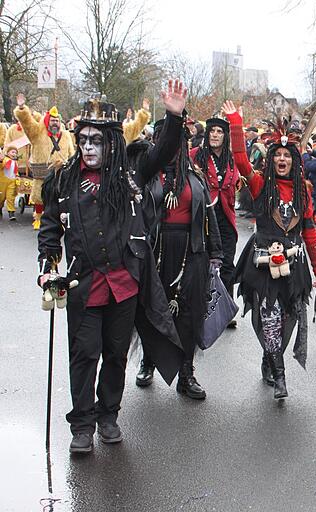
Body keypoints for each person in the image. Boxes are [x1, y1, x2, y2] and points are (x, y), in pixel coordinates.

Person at [36, 80, 189, 454]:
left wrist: (173, 116)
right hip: (82, 285)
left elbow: (165, 150)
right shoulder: (62, 179)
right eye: (84, 139)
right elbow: (51, 230)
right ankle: (83, 425)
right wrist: (47, 266)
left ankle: (108, 417)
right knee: (84, 354)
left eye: (97, 141)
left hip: (124, 284)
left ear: (111, 143)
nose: (89, 147)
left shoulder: (130, 174)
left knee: (116, 355)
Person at [134, 111, 224, 398]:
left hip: (191, 251)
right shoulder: (147, 176)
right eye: (166, 142)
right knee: (152, 309)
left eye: (178, 142)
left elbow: (209, 215)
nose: (172, 148)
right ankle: (148, 361)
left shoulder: (196, 176)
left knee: (188, 315)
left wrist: (215, 252)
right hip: (156, 250)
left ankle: (186, 374)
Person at [233, 121, 316, 400]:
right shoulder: (260, 184)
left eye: (287, 156)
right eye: (277, 155)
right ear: (270, 160)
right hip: (263, 263)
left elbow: (308, 230)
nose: (281, 159)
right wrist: (236, 122)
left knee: (289, 317)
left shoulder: (303, 190)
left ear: (294, 161)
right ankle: (280, 376)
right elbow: (240, 160)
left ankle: (269, 357)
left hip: (294, 266)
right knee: (269, 314)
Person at [191, 104, 252, 327]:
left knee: (227, 266)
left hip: (226, 218)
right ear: (207, 134)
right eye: (212, 131)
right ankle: (200, 309)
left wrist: (237, 122)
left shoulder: (231, 158)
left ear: (225, 136)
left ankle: (224, 311)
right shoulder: (195, 156)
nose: (215, 135)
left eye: (219, 132)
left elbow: (242, 153)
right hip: (203, 219)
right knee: (202, 265)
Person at [13, 98, 75, 230]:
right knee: (39, 197)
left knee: (61, 197)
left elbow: (71, 153)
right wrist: (22, 109)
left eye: (57, 121)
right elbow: (27, 123)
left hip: (60, 174)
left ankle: (60, 220)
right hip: (42, 173)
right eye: (53, 121)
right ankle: (39, 218)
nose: (55, 123)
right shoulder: (37, 133)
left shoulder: (66, 135)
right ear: (47, 121)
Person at [1, 143, 19, 220]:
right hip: (2, 181)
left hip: (12, 181)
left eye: (15, 152)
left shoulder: (15, 162)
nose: (14, 154)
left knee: (10, 197)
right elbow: (1, 166)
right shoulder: (4, 159)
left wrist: (17, 176)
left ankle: (11, 213)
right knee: (1, 197)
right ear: (8, 152)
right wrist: (1, 161)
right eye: (12, 152)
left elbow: (15, 171)